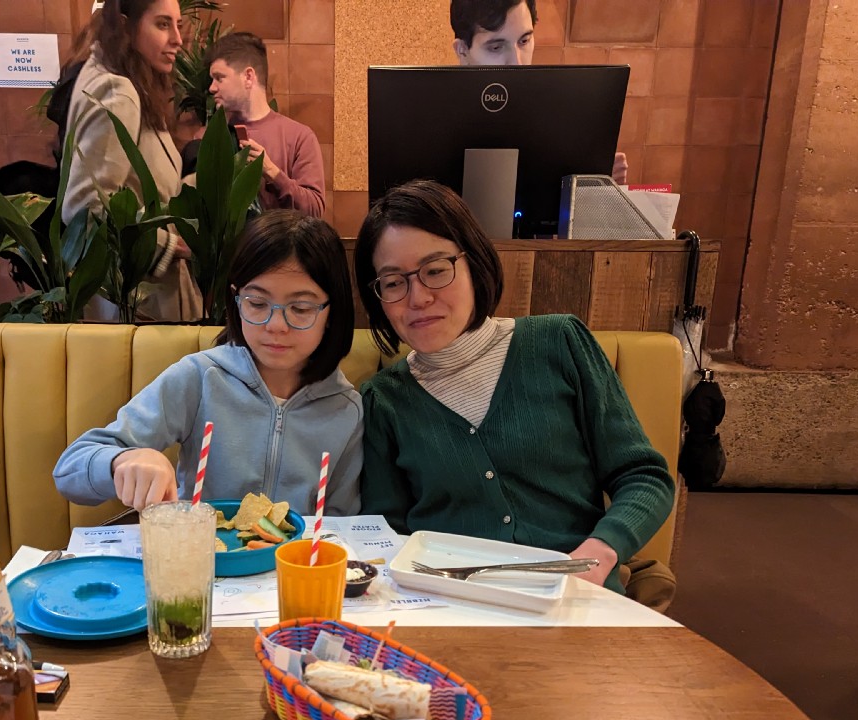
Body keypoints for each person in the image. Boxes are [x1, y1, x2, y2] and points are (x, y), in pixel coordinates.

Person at [353, 180, 674, 596]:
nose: (418, 298)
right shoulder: (384, 399)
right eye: (394, 282)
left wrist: (599, 554)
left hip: (578, 597)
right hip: (448, 604)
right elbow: (385, 534)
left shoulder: (559, 343)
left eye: (435, 270)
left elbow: (644, 476)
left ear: (474, 263)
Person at [54, 210, 363, 516]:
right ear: (236, 300)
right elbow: (70, 469)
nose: (276, 325)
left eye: (301, 308)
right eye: (257, 303)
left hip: (297, 550)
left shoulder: (346, 409)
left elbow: (343, 522)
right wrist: (121, 461)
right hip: (199, 546)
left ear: (331, 312)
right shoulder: (200, 378)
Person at [56, 0, 200, 322]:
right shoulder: (117, 92)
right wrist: (171, 245)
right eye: (162, 24)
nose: (178, 39)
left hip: (139, 300)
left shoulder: (118, 76)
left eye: (177, 25)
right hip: (135, 304)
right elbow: (85, 208)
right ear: (125, 26)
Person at [449, 0, 628, 184]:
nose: (517, 62)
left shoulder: (565, 111)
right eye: (496, 47)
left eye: (524, 41)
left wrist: (598, 185)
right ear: (462, 51)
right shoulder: (441, 114)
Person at [206, 32, 326, 217]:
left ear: (248, 77)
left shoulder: (299, 137)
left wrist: (271, 171)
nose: (212, 88)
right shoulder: (208, 138)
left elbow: (314, 211)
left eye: (219, 78)